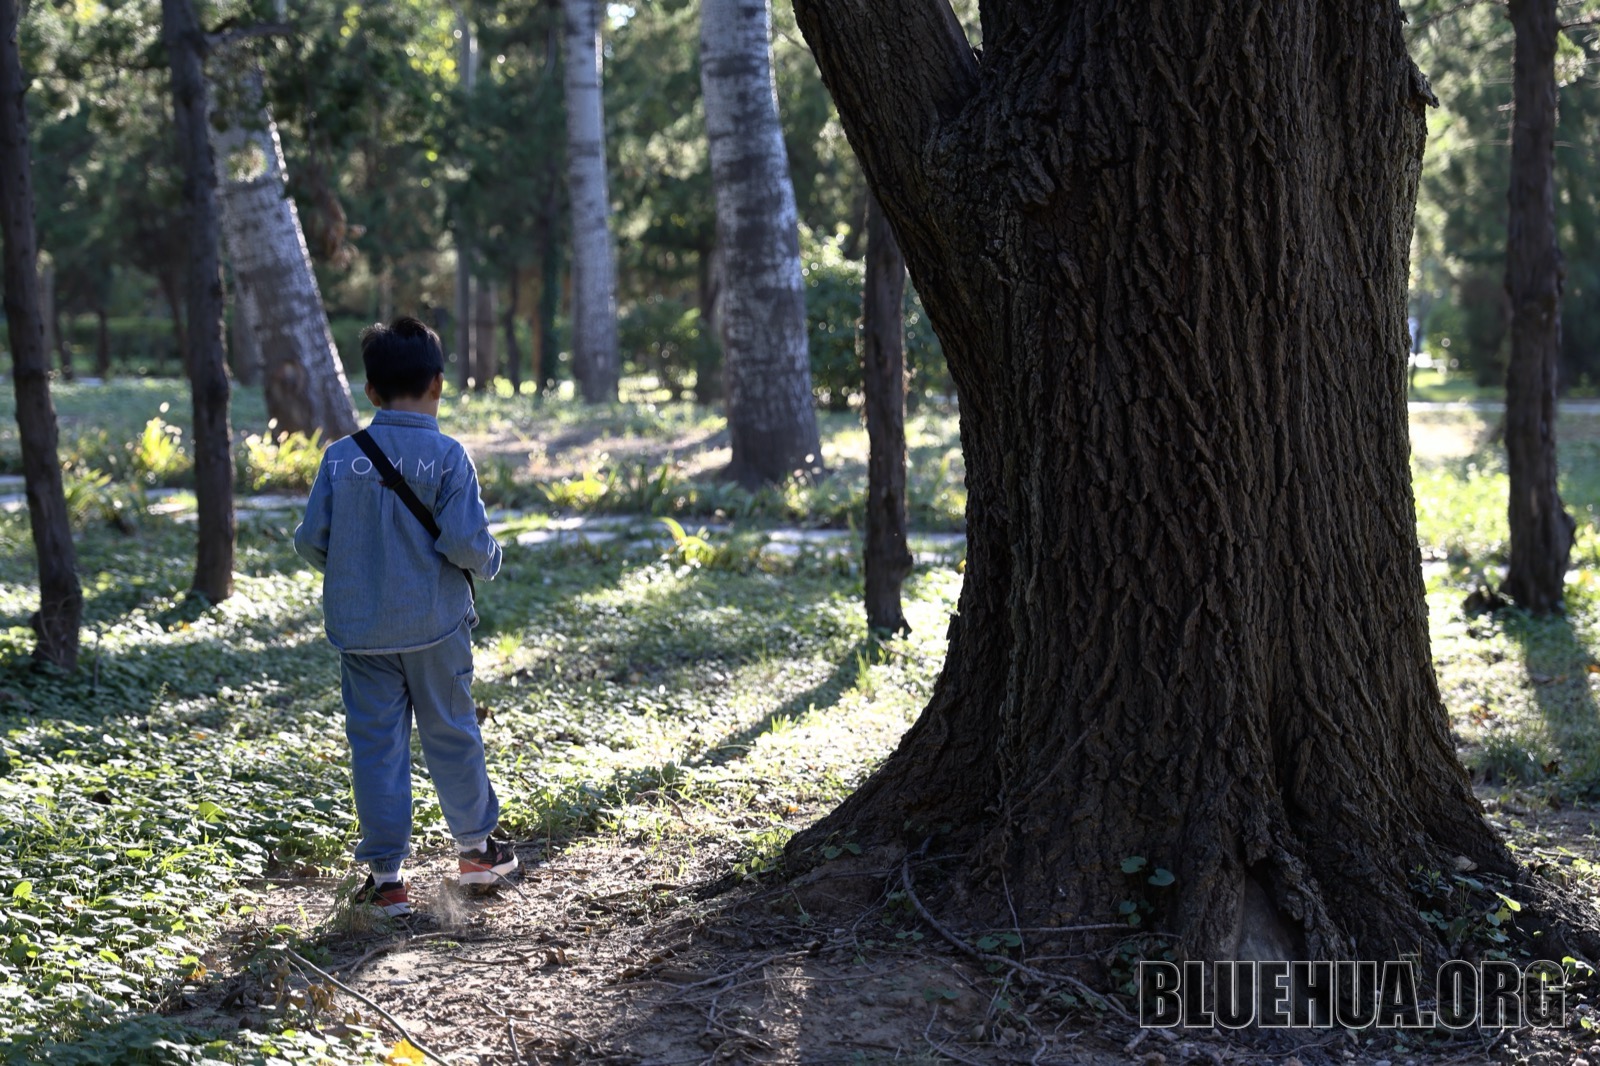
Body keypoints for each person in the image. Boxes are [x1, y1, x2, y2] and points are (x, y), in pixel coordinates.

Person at [294, 316, 516, 916]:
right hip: (436, 627)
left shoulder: (341, 458)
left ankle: (386, 879)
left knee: (375, 747)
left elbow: (311, 540)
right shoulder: (447, 456)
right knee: (451, 731)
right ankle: (475, 851)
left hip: (361, 634)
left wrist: (356, 578)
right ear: (438, 385)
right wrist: (492, 562)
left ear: (371, 392)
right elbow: (468, 545)